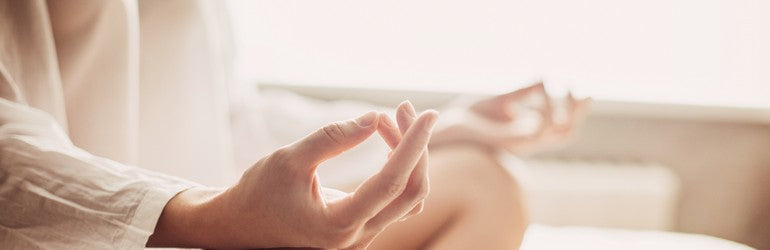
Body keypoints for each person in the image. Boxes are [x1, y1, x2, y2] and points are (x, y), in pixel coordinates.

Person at [0, 0, 589, 249]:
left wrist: (442, 129)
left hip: (207, 212)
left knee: (486, 184)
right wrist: (201, 215)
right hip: (139, 230)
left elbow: (229, 115)